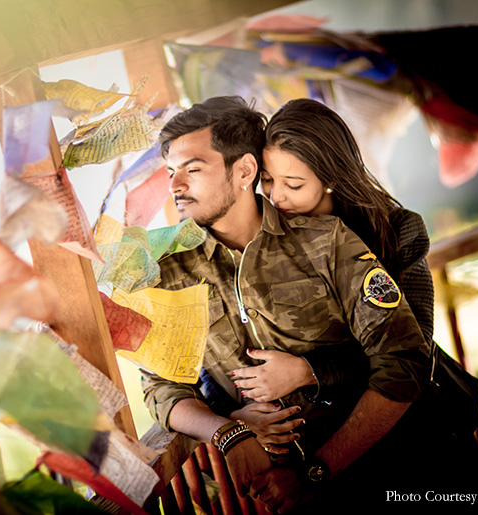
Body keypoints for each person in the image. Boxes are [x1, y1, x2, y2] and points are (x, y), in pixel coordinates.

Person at [141, 95, 446, 513]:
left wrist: (307, 375)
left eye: (192, 170)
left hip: (401, 464)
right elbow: (162, 385)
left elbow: (407, 357)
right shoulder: (167, 271)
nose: (174, 186)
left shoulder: (331, 239)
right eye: (170, 171)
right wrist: (228, 428)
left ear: (244, 170)